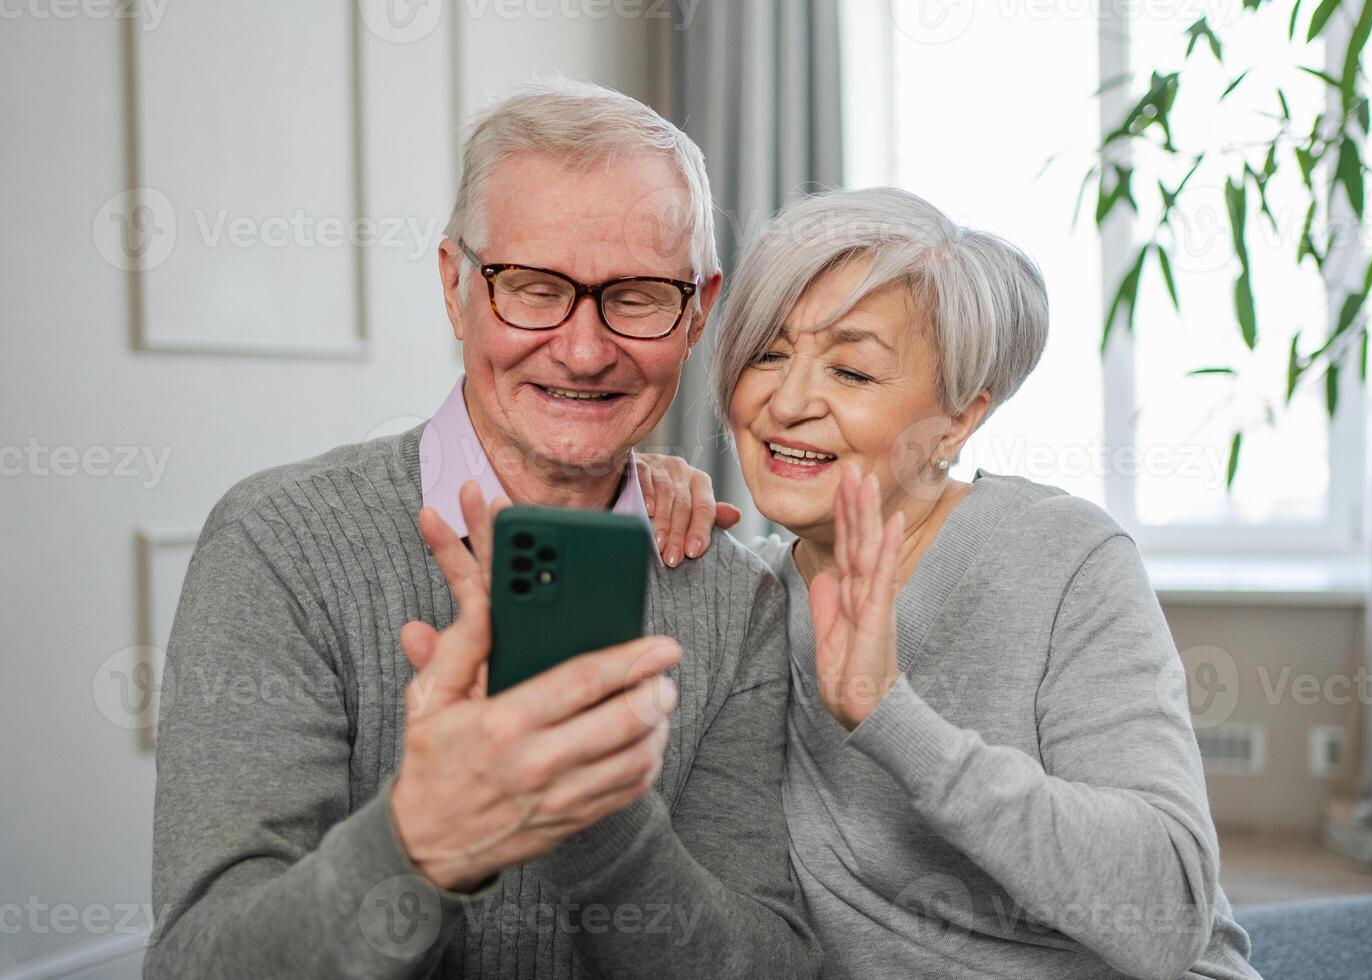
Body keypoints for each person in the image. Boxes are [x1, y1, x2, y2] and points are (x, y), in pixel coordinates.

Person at [144, 79, 820, 980]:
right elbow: (197, 966)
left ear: (698, 309)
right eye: (533, 289)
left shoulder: (738, 596)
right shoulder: (281, 545)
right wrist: (420, 843)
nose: (584, 351)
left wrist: (589, 805)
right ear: (455, 284)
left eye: (640, 295)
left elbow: (766, 966)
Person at [640, 186, 1262, 978]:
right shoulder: (744, 596)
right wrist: (631, 499)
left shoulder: (1060, 556)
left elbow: (1167, 914)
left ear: (958, 420)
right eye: (767, 352)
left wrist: (888, 715)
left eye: (853, 371)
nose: (787, 401)